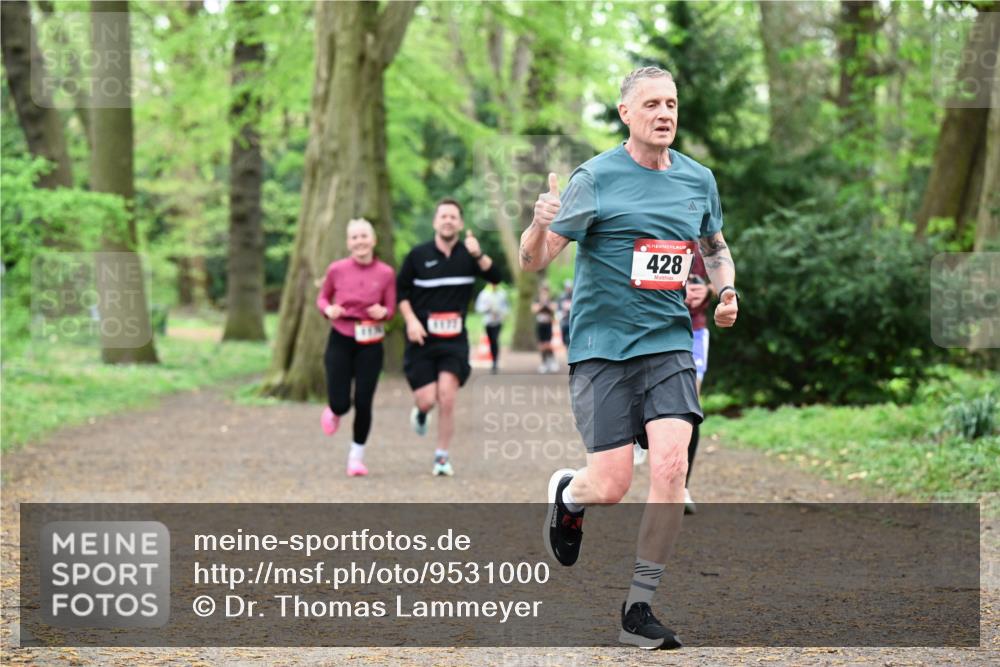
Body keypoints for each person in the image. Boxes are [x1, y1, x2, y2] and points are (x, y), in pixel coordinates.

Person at [519, 66, 739, 649]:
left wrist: (726, 291)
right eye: (651, 105)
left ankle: (637, 609)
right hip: (602, 349)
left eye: (671, 103)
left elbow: (715, 247)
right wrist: (538, 226)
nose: (664, 114)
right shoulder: (595, 178)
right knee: (612, 485)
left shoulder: (698, 179)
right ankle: (570, 494)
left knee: (671, 467)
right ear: (626, 114)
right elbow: (535, 260)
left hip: (668, 343)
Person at [397, 198, 502, 476]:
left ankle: (441, 457)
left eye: (453, 217)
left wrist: (478, 253)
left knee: (448, 397)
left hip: (453, 341)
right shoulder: (417, 255)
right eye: (443, 216)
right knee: (427, 399)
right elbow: (400, 292)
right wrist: (410, 321)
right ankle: (421, 411)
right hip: (421, 341)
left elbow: (495, 277)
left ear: (460, 223)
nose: (448, 220)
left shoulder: (469, 256)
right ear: (435, 222)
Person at [316, 218, 397, 477]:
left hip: (371, 341)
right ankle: (335, 410)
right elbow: (322, 297)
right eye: (355, 237)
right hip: (341, 335)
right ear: (348, 243)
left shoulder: (386, 273)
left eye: (364, 236)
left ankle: (356, 457)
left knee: (364, 401)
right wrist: (329, 309)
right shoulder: (336, 269)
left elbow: (391, 309)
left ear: (373, 240)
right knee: (341, 402)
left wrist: (383, 312)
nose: (360, 241)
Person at [681, 252, 713, 513]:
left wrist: (707, 291)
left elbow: (724, 279)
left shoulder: (704, 239)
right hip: (651, 329)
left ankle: (681, 487)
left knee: (689, 409)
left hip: (695, 331)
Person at [474, 282, 509, 374]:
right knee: (491, 340)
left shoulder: (502, 293)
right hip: (488, 321)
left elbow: (506, 307)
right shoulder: (484, 294)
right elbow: (478, 308)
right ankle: (493, 359)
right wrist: (487, 309)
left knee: (495, 339)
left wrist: (501, 312)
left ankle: (495, 361)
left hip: (498, 321)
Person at [532, 283, 558, 373]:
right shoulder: (537, 299)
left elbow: (554, 308)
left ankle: (551, 360)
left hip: (548, 324)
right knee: (541, 345)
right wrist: (542, 304)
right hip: (540, 324)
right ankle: (544, 362)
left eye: (546, 290)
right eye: (543, 290)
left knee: (548, 344)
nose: (544, 292)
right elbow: (534, 309)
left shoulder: (551, 299)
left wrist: (547, 303)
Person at [557, 279, 573, 349]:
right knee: (564, 338)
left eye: (569, 287)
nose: (568, 289)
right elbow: (558, 308)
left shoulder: (574, 296)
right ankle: (567, 349)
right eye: (567, 287)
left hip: (572, 321)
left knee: (570, 338)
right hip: (564, 321)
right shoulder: (561, 297)